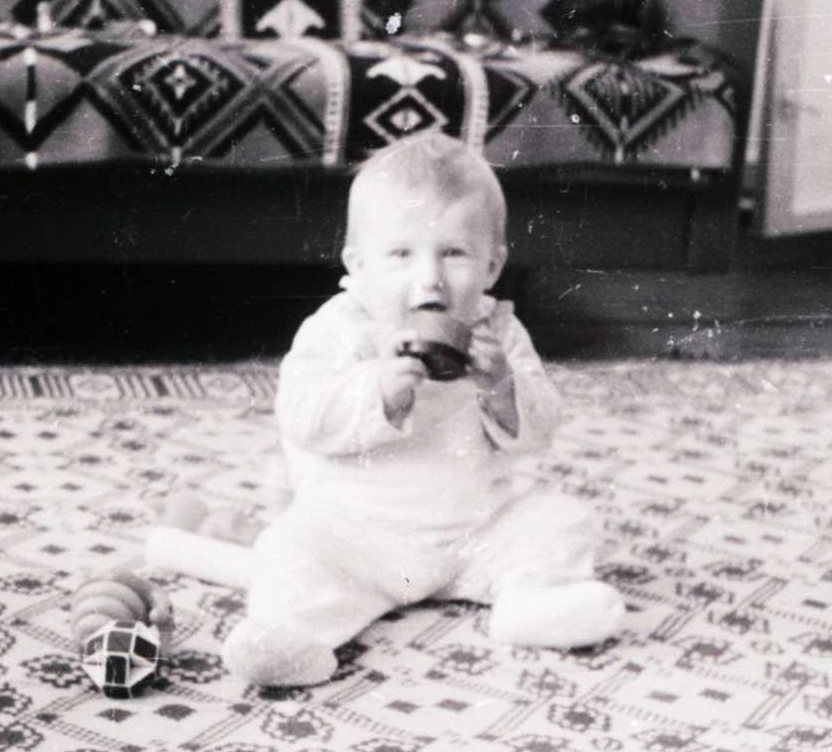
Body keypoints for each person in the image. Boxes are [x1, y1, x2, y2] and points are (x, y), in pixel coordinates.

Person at [221, 132, 626, 686]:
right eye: (401, 254)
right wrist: (378, 389)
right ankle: (288, 638)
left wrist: (500, 387)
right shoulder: (340, 329)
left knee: (563, 521)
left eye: (454, 253)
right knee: (287, 548)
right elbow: (302, 417)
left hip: (475, 534)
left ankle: (531, 604)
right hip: (358, 536)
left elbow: (542, 428)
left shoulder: (499, 334)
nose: (429, 277)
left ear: (492, 266)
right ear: (358, 265)